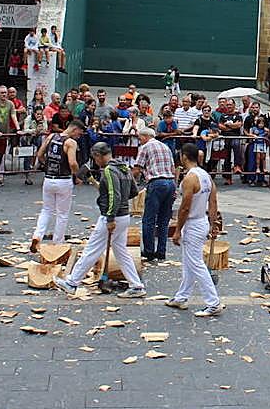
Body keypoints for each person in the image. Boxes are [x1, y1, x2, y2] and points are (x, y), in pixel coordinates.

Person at [54, 142, 145, 298]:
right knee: (121, 251)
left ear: (97, 155)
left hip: (112, 217)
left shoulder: (109, 171)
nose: (95, 162)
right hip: (124, 215)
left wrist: (110, 217)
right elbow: (132, 192)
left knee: (92, 249)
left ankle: (72, 282)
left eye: (94, 158)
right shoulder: (124, 168)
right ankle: (136, 285)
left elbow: (114, 195)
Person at [165, 143, 223, 317]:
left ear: (183, 156)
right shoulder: (205, 175)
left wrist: (177, 230)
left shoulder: (189, 179)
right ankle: (181, 296)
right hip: (202, 221)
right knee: (189, 262)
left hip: (192, 224)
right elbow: (213, 202)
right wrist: (213, 224)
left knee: (196, 264)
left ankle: (213, 303)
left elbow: (184, 207)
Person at [30, 121, 84, 253]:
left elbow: (40, 154)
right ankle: (57, 243)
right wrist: (77, 174)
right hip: (63, 180)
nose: (79, 136)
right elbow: (72, 162)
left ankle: (37, 235)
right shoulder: (70, 143)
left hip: (49, 178)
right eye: (79, 133)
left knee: (46, 210)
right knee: (62, 214)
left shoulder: (51, 136)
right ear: (74, 129)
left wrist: (47, 165)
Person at [133, 128, 177, 262]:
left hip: (156, 182)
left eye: (140, 138)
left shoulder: (145, 147)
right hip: (170, 182)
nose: (140, 141)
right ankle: (161, 251)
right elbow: (173, 168)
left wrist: (129, 183)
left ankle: (149, 251)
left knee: (149, 220)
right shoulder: (165, 147)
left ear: (146, 136)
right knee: (164, 220)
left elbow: (137, 168)